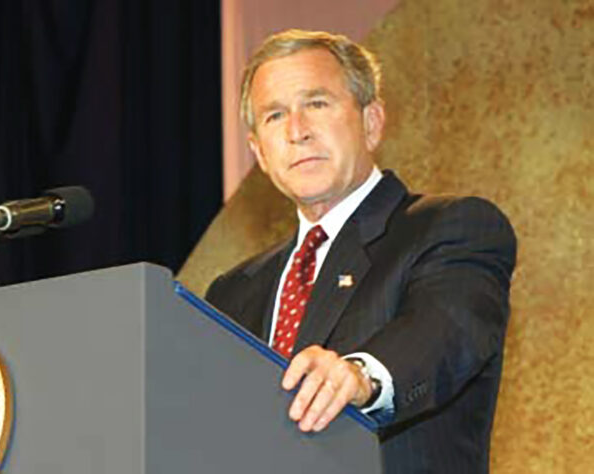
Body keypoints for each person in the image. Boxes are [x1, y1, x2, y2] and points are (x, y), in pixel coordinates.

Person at [205, 30, 516, 473]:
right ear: (259, 152)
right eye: (274, 115)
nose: (297, 131)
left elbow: (443, 332)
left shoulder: (451, 227)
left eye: (317, 104)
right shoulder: (231, 291)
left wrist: (360, 376)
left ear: (371, 122)